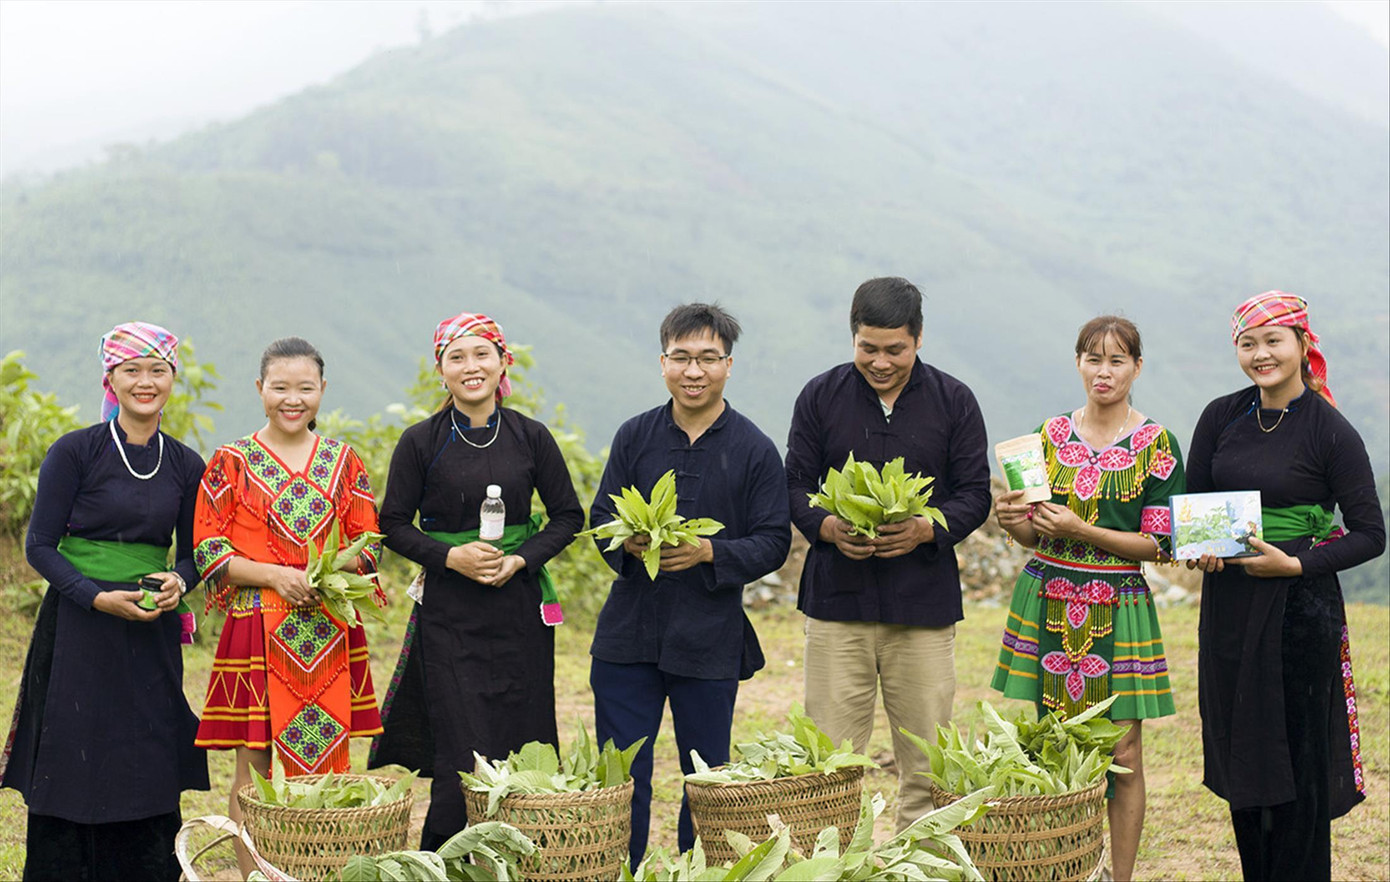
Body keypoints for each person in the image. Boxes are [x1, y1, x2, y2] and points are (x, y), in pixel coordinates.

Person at [1, 322, 209, 881]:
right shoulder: (75, 452)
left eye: (157, 370)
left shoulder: (187, 464)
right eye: (131, 371)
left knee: (146, 751)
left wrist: (178, 583)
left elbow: (193, 554)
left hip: (150, 629)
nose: (145, 382)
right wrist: (94, 598)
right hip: (77, 627)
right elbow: (40, 546)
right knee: (75, 748)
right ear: (111, 379)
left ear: (172, 378)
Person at [1188, 291, 1384, 881]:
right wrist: (1199, 549)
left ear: (1302, 344)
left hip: (1301, 610)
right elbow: (1193, 506)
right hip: (1230, 606)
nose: (1260, 354)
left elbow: (1371, 534)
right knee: (1242, 751)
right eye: (1248, 343)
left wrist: (1297, 565)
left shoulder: (1330, 429)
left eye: (1273, 340)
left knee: (1297, 761)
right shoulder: (1222, 415)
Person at [371, 312, 584, 849]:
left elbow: (566, 516)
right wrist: (451, 559)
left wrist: (521, 560)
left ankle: (526, 854)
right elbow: (392, 524)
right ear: (440, 370)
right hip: (449, 614)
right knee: (459, 749)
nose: (471, 367)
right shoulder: (421, 442)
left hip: (519, 611)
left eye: (482, 354)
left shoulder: (531, 438)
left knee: (525, 735)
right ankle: (447, 859)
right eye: (456, 357)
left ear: (503, 362)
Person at [785, 277, 991, 831]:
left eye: (894, 350)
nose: (879, 362)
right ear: (853, 337)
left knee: (927, 763)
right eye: (867, 348)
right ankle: (836, 865)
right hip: (836, 604)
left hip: (922, 605)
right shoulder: (820, 396)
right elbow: (795, 484)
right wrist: (827, 526)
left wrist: (928, 529)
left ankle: (914, 863)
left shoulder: (955, 400)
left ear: (918, 338)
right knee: (829, 764)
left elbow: (975, 493)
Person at [589, 303, 790, 865]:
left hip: (709, 637)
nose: (693, 371)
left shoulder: (753, 448)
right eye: (681, 357)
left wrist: (709, 552)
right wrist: (625, 543)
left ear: (729, 364)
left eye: (707, 358)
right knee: (622, 774)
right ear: (662, 363)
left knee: (705, 776)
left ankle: (695, 871)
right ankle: (618, 870)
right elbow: (600, 517)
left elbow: (774, 540)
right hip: (628, 637)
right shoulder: (635, 436)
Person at [990, 315, 1184, 882]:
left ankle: (1118, 877)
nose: (1104, 371)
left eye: (1117, 360)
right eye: (1093, 359)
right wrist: (1012, 521)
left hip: (1117, 603)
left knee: (1123, 757)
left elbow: (1158, 544)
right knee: (1054, 749)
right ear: (1077, 363)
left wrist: (1083, 531)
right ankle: (1064, 868)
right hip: (1047, 594)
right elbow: (1033, 532)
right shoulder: (1047, 437)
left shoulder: (1157, 444)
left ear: (1137, 367)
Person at [192, 337, 384, 877]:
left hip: (326, 626)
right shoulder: (231, 460)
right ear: (260, 390)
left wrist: (327, 569)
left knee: (327, 768)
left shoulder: (344, 462)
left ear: (322, 391)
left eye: (305, 388)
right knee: (252, 768)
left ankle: (321, 868)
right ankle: (253, 871)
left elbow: (369, 540)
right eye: (280, 387)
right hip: (256, 623)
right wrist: (277, 574)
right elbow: (209, 549)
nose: (292, 399)